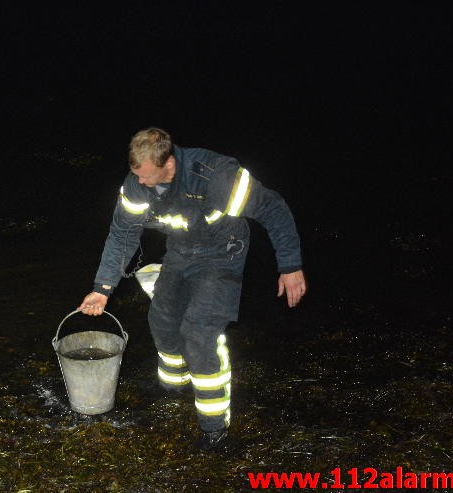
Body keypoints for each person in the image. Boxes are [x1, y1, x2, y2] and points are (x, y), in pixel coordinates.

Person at [78, 127, 306, 451]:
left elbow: (273, 208)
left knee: (199, 335)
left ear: (169, 164)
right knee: (162, 320)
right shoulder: (136, 185)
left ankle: (215, 430)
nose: (141, 183)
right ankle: (176, 387)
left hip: (222, 253)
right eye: (136, 176)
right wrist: (102, 288)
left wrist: (290, 266)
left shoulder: (215, 176)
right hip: (182, 251)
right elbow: (122, 235)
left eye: (147, 177)